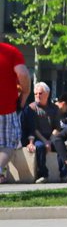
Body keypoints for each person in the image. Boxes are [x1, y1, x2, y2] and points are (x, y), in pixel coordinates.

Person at [20, 83, 64, 182]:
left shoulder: (54, 108)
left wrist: (50, 140)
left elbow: (57, 127)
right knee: (40, 147)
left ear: (47, 94)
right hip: (38, 138)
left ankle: (64, 175)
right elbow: (34, 129)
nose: (37, 96)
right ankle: (43, 175)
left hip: (51, 136)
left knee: (60, 145)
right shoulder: (31, 108)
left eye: (40, 93)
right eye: (35, 94)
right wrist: (45, 142)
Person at [0, 38, 26, 171]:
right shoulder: (10, 52)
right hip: (5, 109)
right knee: (8, 144)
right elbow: (22, 73)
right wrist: (26, 92)